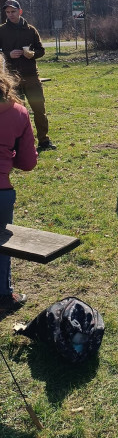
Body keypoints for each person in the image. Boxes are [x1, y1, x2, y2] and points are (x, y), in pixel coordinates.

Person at [0, 68, 38, 312]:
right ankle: (3, 295)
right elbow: (28, 162)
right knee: (1, 244)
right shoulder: (18, 112)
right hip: (1, 190)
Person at [0, 0, 56, 151]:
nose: (10, 15)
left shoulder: (31, 30)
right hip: (11, 79)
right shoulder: (2, 30)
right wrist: (8, 54)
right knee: (17, 113)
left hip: (31, 77)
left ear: (20, 11)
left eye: (13, 11)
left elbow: (41, 50)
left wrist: (33, 54)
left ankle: (44, 141)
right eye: (7, 12)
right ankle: (19, 145)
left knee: (39, 109)